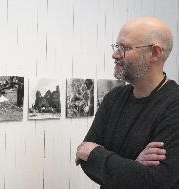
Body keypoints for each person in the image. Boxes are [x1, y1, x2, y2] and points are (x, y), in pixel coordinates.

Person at [75, 17, 179, 189]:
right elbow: (83, 158)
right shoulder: (113, 98)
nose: (115, 54)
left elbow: (156, 181)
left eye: (124, 48)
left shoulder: (174, 105)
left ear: (154, 53)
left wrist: (97, 155)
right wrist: (133, 166)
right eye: (116, 47)